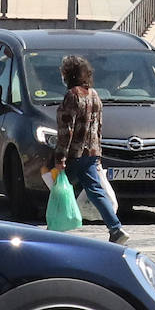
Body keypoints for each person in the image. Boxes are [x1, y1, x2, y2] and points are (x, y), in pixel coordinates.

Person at [53, 55, 130, 244]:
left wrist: (60, 156)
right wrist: (98, 153)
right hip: (92, 153)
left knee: (56, 185)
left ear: (68, 74)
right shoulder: (94, 95)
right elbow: (99, 126)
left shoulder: (72, 95)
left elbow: (67, 129)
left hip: (75, 154)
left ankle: (56, 227)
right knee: (94, 189)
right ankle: (115, 228)